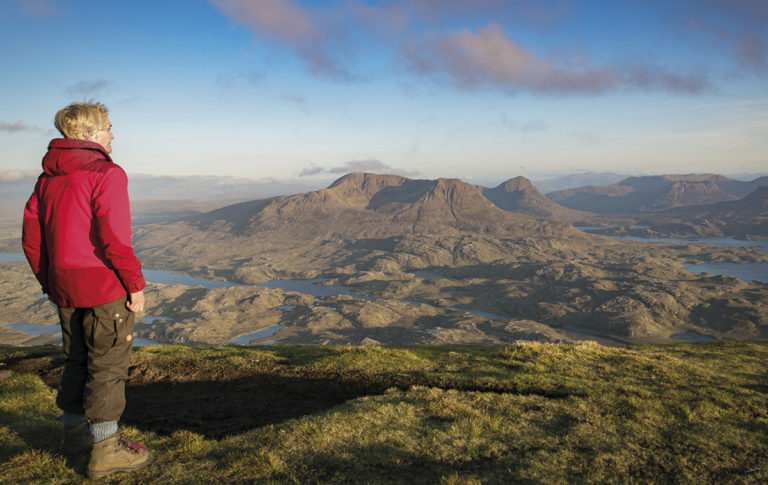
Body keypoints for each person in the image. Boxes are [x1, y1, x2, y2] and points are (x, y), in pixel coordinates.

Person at [22, 101, 153, 478]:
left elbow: (32, 237)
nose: (114, 133)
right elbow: (114, 237)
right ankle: (106, 450)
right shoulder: (106, 173)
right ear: (90, 134)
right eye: (109, 126)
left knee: (76, 360)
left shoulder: (47, 178)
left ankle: (74, 439)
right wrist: (134, 283)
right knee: (107, 366)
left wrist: (50, 280)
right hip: (103, 285)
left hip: (63, 283)